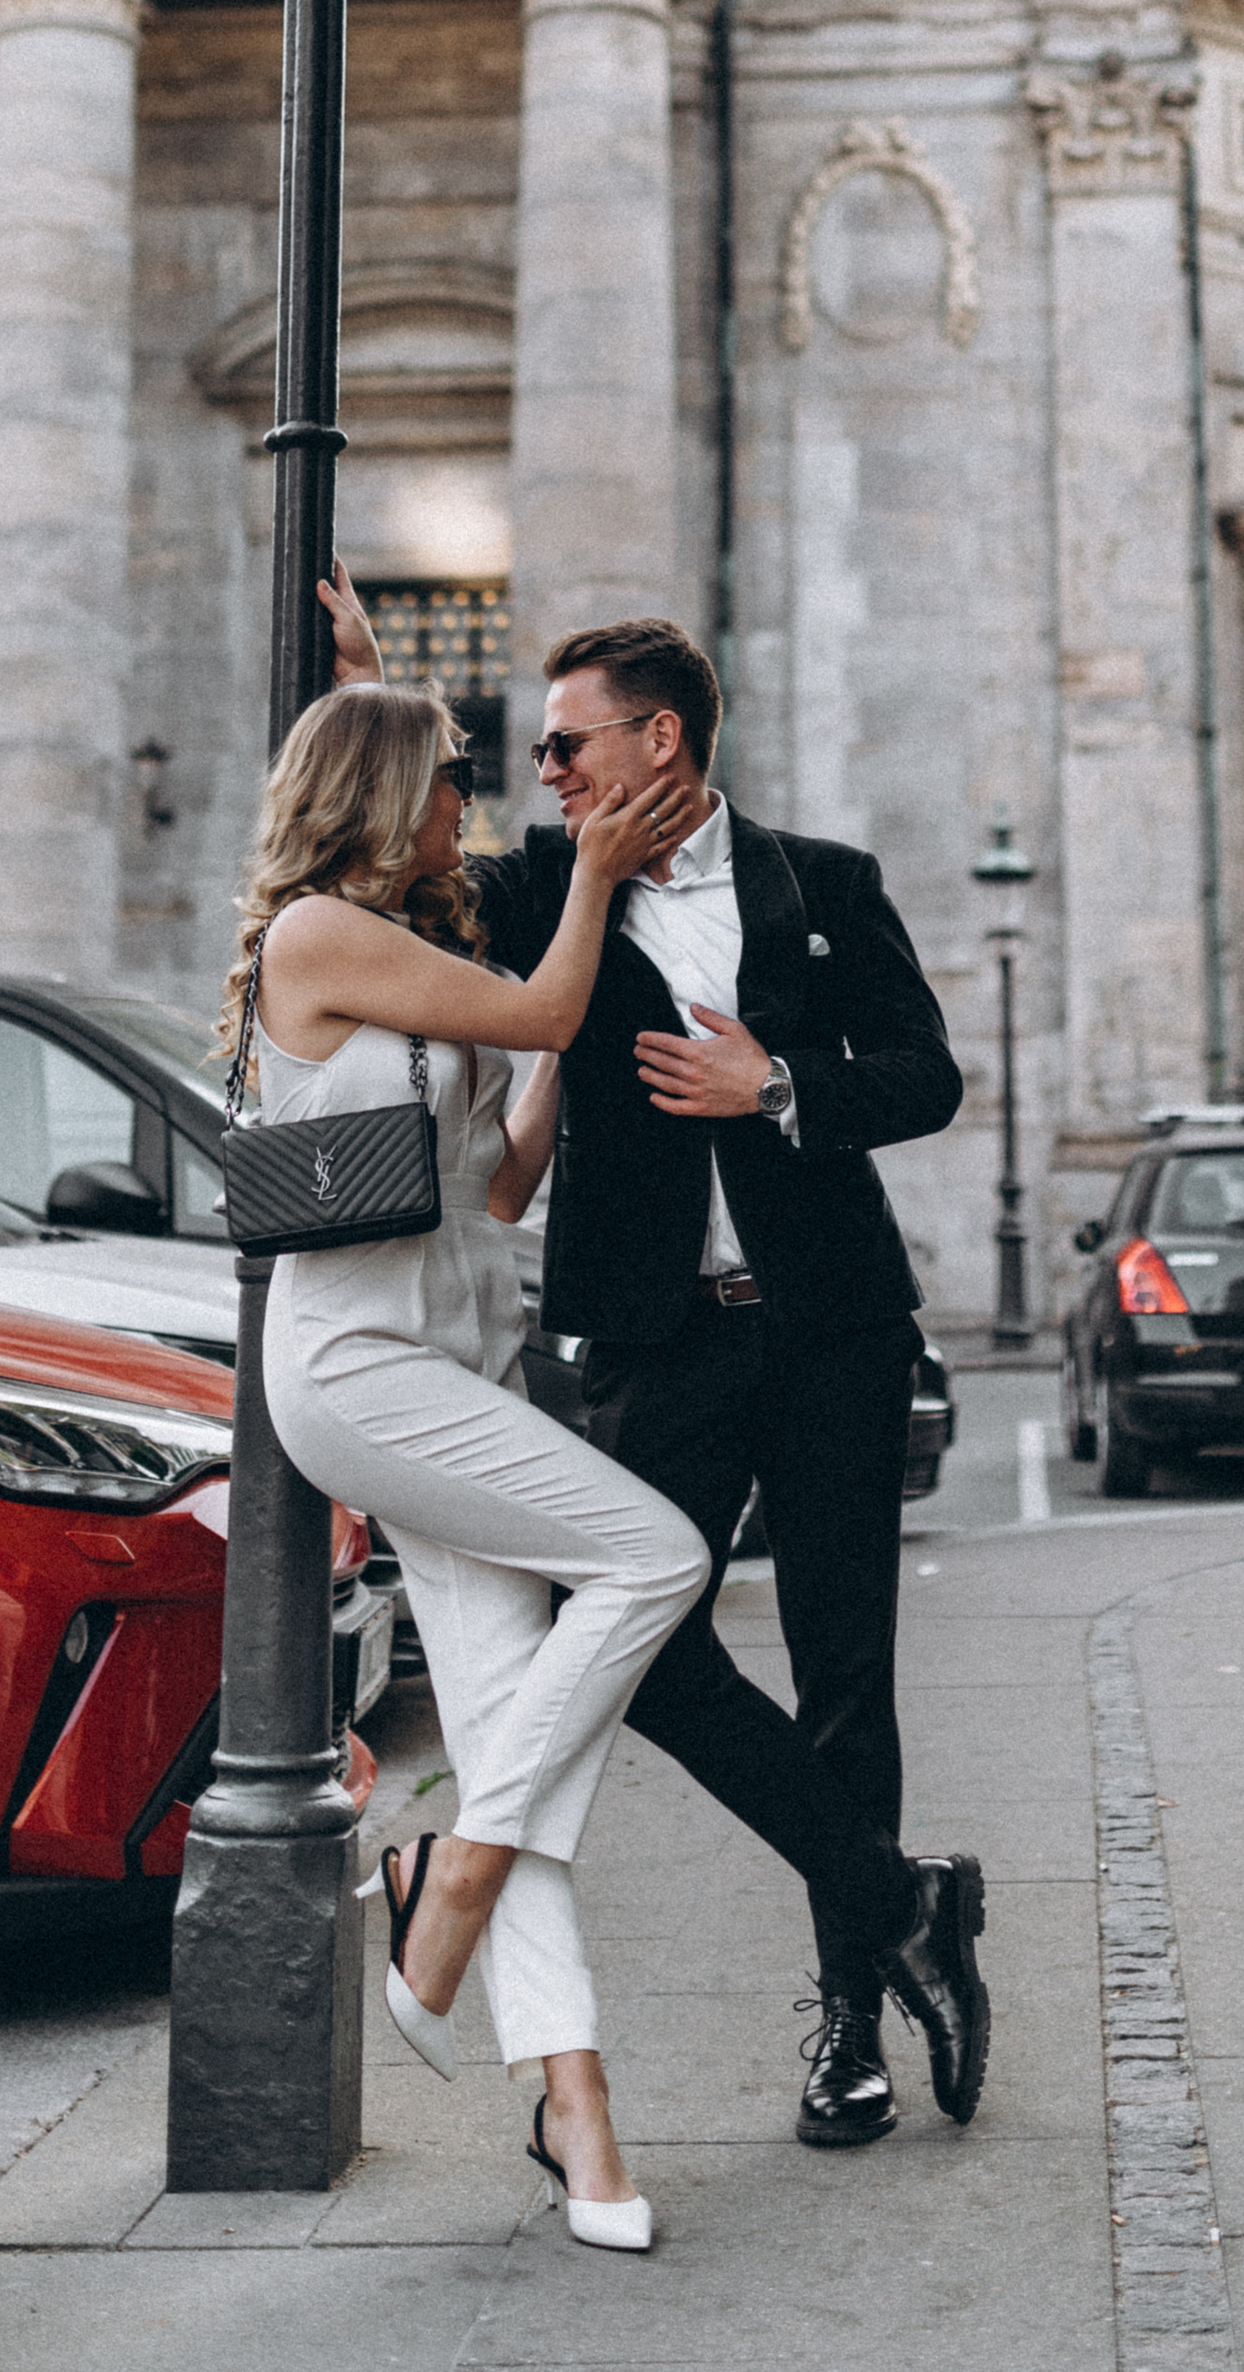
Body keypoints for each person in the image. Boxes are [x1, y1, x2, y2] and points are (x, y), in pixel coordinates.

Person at [323, 575, 990, 2153]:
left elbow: (926, 1075)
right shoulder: (542, 889)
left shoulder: (823, 881)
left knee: (845, 1672)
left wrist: (777, 1086)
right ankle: (899, 1898)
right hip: (651, 1339)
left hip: (829, 1329)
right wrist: (360, 680)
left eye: (566, 745)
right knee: (641, 1644)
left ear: (659, 736)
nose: (542, 771)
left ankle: (850, 2028)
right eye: (536, 753)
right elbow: (380, 852)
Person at [228, 675, 712, 2251]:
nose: (471, 808)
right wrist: (590, 893)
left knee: (517, 1729)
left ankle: (578, 2118)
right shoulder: (313, 937)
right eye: (448, 781)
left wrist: (570, 1046)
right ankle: (454, 1870)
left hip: (458, 1366)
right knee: (655, 1557)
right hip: (359, 1370)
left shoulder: (419, 955)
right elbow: (545, 1004)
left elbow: (490, 1193)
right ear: (380, 796)